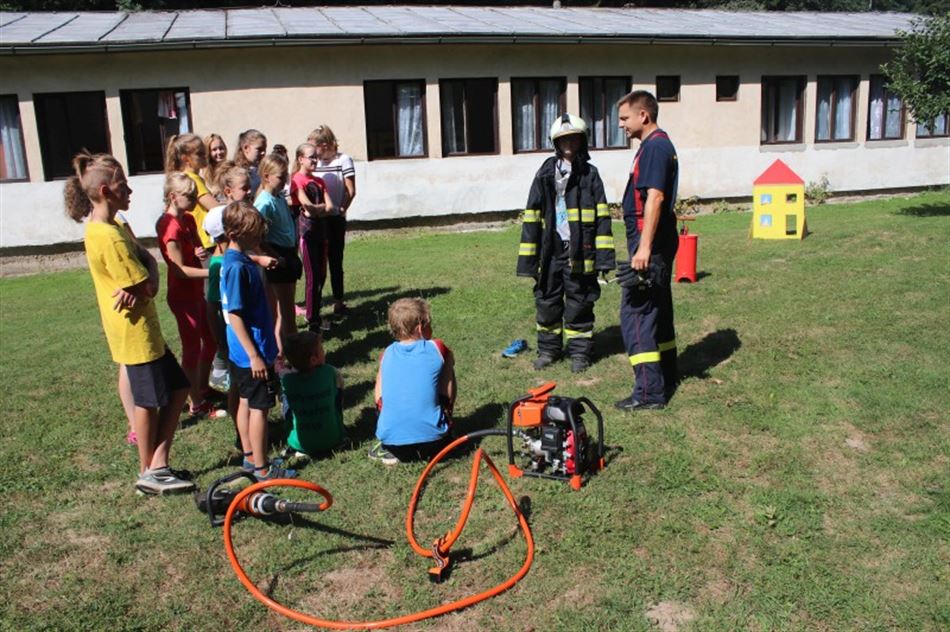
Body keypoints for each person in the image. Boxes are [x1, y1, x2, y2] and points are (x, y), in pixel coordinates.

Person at [64, 151, 194, 495]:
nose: (130, 191)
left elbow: (147, 265)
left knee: (179, 388)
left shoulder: (114, 226)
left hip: (143, 330)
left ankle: (157, 464)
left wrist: (148, 271)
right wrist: (149, 273)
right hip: (134, 332)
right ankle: (147, 473)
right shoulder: (107, 236)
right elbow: (149, 284)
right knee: (148, 402)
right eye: (124, 185)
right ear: (105, 191)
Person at [516, 113, 615, 373]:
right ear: (556, 143)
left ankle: (579, 352)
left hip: (581, 251)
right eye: (564, 139)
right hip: (551, 250)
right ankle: (548, 350)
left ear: (582, 141)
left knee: (579, 301)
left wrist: (604, 258)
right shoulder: (545, 173)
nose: (569, 143)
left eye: (574, 138)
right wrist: (529, 261)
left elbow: (602, 218)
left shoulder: (590, 175)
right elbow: (532, 215)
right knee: (547, 300)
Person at [220, 200, 295, 480]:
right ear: (234, 234)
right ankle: (263, 469)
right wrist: (254, 355)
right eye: (253, 235)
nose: (259, 239)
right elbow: (235, 315)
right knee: (260, 408)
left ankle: (250, 457)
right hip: (252, 352)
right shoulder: (238, 269)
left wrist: (259, 258)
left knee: (244, 401)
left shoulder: (235, 259)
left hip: (240, 351)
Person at [614, 90, 680, 411]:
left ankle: (649, 392)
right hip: (656, 243)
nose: (621, 125)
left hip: (649, 245)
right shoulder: (656, 146)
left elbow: (655, 198)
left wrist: (643, 248)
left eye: (624, 118)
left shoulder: (655, 147)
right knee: (659, 309)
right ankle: (667, 374)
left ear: (644, 115)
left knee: (636, 315)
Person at [156, 172, 223, 418]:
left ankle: (202, 387)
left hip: (196, 291)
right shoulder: (169, 227)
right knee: (192, 348)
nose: (195, 200)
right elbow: (179, 270)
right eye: (190, 196)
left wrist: (198, 253)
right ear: (173, 196)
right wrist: (213, 273)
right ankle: (196, 403)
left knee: (211, 340)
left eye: (196, 195)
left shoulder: (188, 219)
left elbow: (193, 250)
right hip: (183, 296)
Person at [370, 298, 455, 464]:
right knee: (447, 364)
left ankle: (391, 430)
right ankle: (446, 422)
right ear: (420, 328)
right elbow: (450, 358)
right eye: (430, 324)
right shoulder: (437, 347)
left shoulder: (387, 353)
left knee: (382, 375)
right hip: (435, 442)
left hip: (392, 443)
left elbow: (379, 390)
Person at [254, 152, 301, 353]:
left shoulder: (278, 197)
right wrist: (275, 255)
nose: (285, 181)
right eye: (281, 177)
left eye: (285, 176)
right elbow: (257, 236)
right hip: (279, 257)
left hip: (288, 254)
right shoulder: (264, 202)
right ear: (266, 176)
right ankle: (295, 354)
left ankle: (283, 352)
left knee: (285, 311)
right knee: (287, 313)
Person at [309, 125, 356, 316]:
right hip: (317, 219)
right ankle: (316, 304)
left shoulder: (343, 160)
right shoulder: (314, 163)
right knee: (318, 263)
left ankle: (338, 302)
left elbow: (351, 190)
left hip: (335, 219)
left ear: (325, 145)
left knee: (336, 261)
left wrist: (341, 209)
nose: (311, 152)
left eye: (313, 147)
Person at [280, 331, 345, 457]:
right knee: (337, 391)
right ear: (313, 360)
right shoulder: (330, 372)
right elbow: (340, 396)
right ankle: (336, 427)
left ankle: (293, 442)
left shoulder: (287, 380)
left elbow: (283, 378)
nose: (324, 352)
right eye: (322, 350)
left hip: (299, 443)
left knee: (285, 397)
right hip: (332, 439)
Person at [291, 142, 333, 333]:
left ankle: (316, 312)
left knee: (322, 274)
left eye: (316, 156)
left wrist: (317, 210)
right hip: (306, 234)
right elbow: (307, 206)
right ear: (301, 159)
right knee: (312, 276)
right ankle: (312, 319)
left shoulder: (320, 181)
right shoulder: (297, 180)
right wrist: (316, 209)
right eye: (311, 157)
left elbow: (330, 207)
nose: (315, 160)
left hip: (321, 232)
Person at [164, 133, 219, 254]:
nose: (205, 156)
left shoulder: (190, 177)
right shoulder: (192, 180)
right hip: (205, 239)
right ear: (186, 159)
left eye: (205, 152)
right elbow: (215, 207)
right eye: (199, 153)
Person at [233, 129, 267, 198]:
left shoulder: (261, 170)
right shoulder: (236, 172)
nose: (263, 153)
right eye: (259, 149)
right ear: (246, 148)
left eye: (264, 149)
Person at [201, 133, 228, 201]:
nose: (219, 152)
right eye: (214, 150)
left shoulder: (230, 168)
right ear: (208, 152)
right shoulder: (202, 173)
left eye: (221, 148)